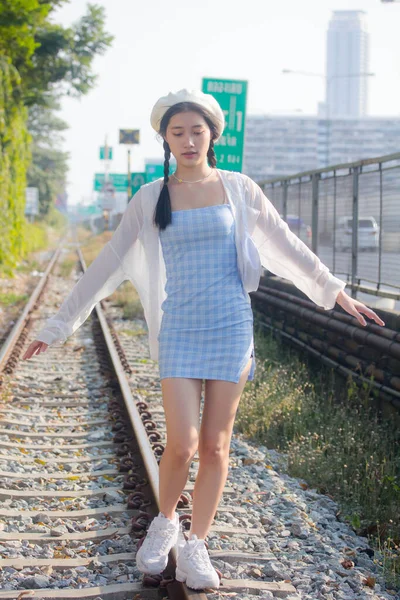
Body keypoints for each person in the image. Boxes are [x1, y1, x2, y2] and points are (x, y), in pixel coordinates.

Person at [22, 88, 385, 591]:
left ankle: (196, 543)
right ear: (166, 140)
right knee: (182, 444)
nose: (189, 140)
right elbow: (107, 264)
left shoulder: (239, 188)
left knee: (215, 446)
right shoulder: (153, 196)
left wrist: (335, 291)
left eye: (197, 130)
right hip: (180, 328)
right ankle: (164, 523)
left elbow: (286, 244)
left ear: (213, 134)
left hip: (231, 326)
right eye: (178, 132)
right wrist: (57, 324)